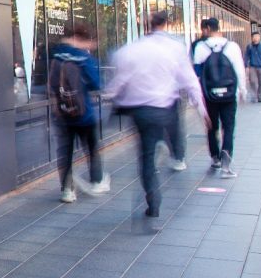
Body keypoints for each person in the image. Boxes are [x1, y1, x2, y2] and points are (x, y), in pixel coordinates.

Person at [106, 11, 208, 218]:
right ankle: (168, 145)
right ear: (166, 24)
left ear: (147, 26)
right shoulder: (175, 48)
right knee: (171, 127)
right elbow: (190, 81)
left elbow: (120, 82)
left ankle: (153, 198)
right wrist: (202, 110)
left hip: (140, 112)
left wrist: (107, 95)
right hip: (165, 107)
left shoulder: (129, 51)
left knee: (145, 157)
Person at [48, 23, 109, 203]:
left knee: (65, 152)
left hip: (62, 114)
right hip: (83, 114)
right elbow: (96, 84)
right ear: (81, 38)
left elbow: (49, 84)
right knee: (91, 148)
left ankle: (67, 190)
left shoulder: (54, 54)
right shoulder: (83, 58)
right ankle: (96, 180)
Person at [193, 18, 247, 178]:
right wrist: (242, 90)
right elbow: (239, 70)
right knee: (229, 127)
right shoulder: (232, 47)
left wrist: (196, 99)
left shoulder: (200, 48)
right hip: (229, 95)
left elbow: (196, 75)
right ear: (219, 27)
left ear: (208, 28)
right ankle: (226, 162)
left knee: (211, 126)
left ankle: (215, 157)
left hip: (209, 95)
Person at [243, 32, 261, 102]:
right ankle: (254, 95)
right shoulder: (249, 46)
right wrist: (245, 65)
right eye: (254, 36)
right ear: (252, 38)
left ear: (259, 37)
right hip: (252, 66)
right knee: (252, 81)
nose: (255, 38)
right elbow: (246, 56)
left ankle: (260, 96)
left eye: (257, 36)